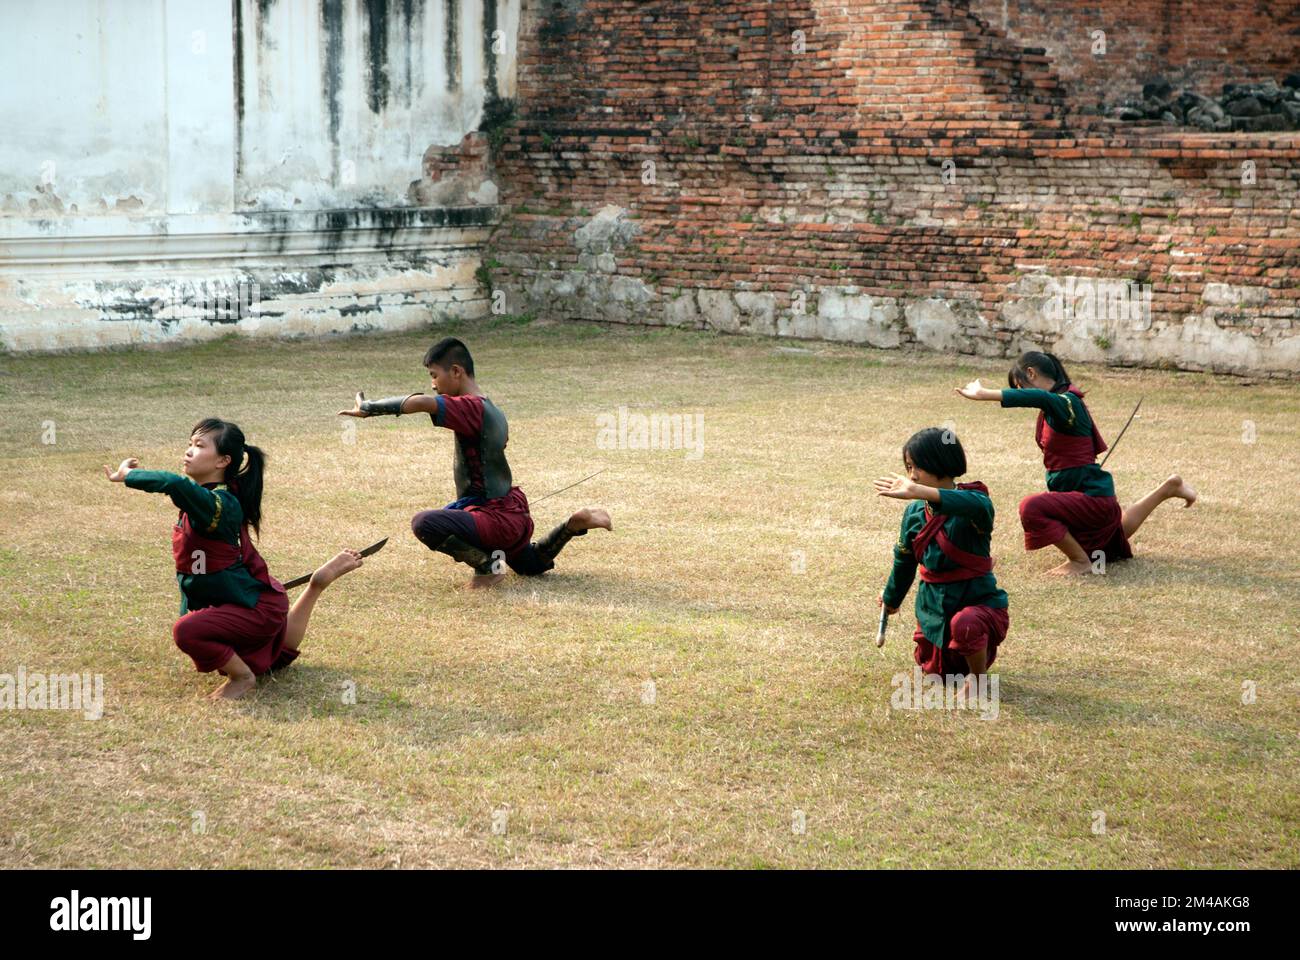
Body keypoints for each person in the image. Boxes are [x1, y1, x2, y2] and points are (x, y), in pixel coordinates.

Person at [104, 418, 365, 700]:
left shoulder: (219, 504)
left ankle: (242, 679)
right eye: (190, 444)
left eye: (200, 446)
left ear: (223, 461)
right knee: (264, 656)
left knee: (188, 633)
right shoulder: (210, 497)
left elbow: (174, 483)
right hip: (249, 600)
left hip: (257, 606)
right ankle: (317, 583)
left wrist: (127, 476)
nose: (189, 451)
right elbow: (193, 575)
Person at [339, 336, 612, 589]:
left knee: (425, 523)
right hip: (511, 515)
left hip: (496, 520)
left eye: (435, 375)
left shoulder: (470, 407)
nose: (433, 383)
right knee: (530, 564)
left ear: (456, 372)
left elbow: (424, 403)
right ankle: (574, 524)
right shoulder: (491, 408)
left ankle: (488, 568)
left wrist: (370, 408)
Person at [955, 350, 1196, 575]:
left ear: (1031, 373)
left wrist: (984, 394)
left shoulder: (1066, 401)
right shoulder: (1057, 405)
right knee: (1112, 536)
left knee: (1031, 507)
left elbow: (1039, 397)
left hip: (1092, 496)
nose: (1021, 394)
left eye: (1020, 387)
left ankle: (1081, 562)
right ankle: (1168, 488)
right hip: (1083, 494)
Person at [876, 427, 1010, 685]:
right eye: (908, 467)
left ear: (941, 463)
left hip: (976, 604)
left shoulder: (976, 502)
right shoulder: (914, 512)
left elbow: (972, 504)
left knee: (966, 624)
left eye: (918, 467)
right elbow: (904, 561)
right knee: (936, 673)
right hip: (933, 606)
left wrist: (918, 492)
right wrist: (891, 599)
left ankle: (979, 681)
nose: (911, 476)